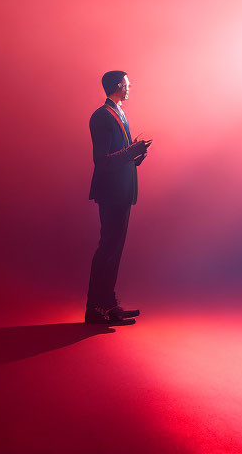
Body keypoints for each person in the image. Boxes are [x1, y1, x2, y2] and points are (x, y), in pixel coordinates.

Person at [85, 71, 151, 325]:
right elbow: (102, 161)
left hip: (120, 191)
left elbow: (118, 156)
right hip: (111, 192)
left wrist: (135, 156)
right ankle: (95, 309)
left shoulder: (117, 113)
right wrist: (130, 152)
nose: (130, 86)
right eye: (126, 83)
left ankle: (108, 304)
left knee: (114, 250)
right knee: (108, 250)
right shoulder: (102, 116)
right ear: (116, 86)